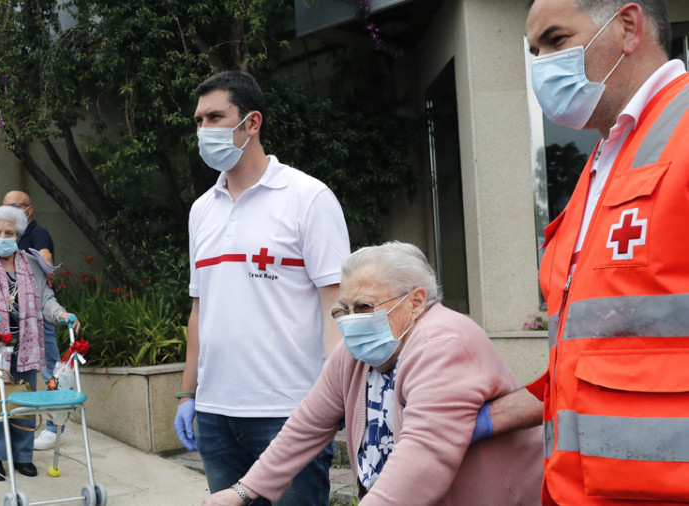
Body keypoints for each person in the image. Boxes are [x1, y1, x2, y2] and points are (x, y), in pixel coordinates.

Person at [475, 1, 689, 504]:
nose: (542, 65)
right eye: (533, 52)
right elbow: (589, 359)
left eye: (555, 41)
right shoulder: (601, 165)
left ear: (628, 27)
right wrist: (481, 419)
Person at [203, 242, 543, 506]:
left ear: (415, 302)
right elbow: (308, 424)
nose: (351, 320)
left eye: (364, 307)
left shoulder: (444, 343)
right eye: (344, 310)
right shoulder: (355, 353)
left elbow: (421, 457)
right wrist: (243, 491)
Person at [176, 70, 350, 506]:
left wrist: (331, 400)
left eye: (215, 117)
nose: (203, 130)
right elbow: (200, 308)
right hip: (215, 415)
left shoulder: (308, 197)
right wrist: (188, 393)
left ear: (251, 123)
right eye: (198, 121)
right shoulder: (202, 211)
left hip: (289, 412)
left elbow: (337, 306)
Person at [0, 205, 79, 482]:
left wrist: (60, 314)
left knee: (23, 402)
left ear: (18, 235)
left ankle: (23, 455)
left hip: (23, 347)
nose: (3, 236)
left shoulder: (31, 262)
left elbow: (45, 299)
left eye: (9, 232)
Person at [2, 190, 62, 451]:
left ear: (29, 209)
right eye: (6, 207)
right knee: (14, 375)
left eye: (16, 206)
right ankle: (15, 428)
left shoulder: (37, 233)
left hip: (38, 316)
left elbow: (46, 258)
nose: (11, 212)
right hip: (13, 319)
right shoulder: (4, 236)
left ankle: (54, 427)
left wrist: (47, 270)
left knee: (50, 371)